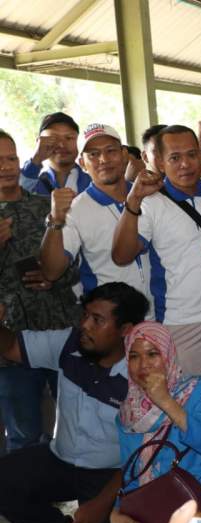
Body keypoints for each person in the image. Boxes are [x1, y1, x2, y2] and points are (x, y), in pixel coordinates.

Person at [0, 282, 149, 523]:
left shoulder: (141, 374)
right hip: (60, 460)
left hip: (112, 476)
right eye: (86, 315)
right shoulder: (69, 344)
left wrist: (102, 504)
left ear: (125, 330)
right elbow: (13, 347)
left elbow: (145, 453)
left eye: (97, 320)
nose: (85, 325)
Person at [112, 125, 201, 380]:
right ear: (159, 162)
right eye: (175, 157)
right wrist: (133, 200)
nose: (185, 164)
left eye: (192, 154)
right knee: (185, 403)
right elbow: (122, 256)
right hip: (181, 321)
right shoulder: (150, 204)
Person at [110, 322, 201, 523]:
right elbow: (131, 471)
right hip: (157, 512)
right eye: (134, 356)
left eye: (152, 354)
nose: (143, 365)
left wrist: (166, 401)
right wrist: (117, 510)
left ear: (168, 355)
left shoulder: (198, 390)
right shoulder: (128, 413)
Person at [0, 129, 79, 454]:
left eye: (11, 158)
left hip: (61, 328)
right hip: (11, 342)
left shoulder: (45, 206)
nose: (6, 166)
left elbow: (73, 263)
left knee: (76, 425)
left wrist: (54, 278)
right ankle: (22, 502)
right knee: (23, 432)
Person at [39, 124, 153, 315]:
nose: (103, 159)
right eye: (93, 154)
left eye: (111, 151)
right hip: (112, 324)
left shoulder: (150, 195)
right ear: (82, 163)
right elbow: (51, 271)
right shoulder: (74, 210)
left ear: (125, 154)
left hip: (163, 316)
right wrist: (56, 219)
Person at [20, 112, 92, 196]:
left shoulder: (95, 182)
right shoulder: (32, 186)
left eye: (69, 138)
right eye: (53, 138)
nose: (61, 145)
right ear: (39, 143)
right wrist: (36, 159)